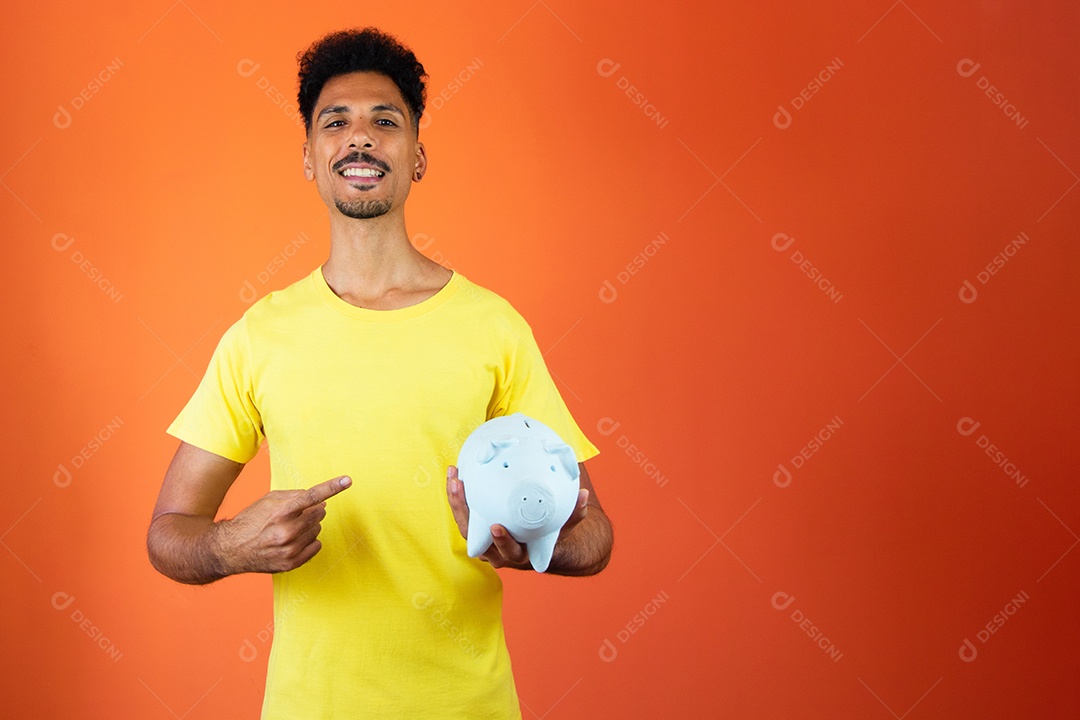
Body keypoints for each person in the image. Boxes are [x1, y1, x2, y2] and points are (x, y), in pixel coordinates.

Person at [146, 27, 613, 720]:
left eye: (384, 122)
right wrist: (227, 546)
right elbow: (167, 531)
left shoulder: (493, 327)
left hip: (469, 706)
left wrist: (534, 547)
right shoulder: (261, 335)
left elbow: (595, 534)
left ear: (417, 156)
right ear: (309, 157)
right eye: (336, 122)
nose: (360, 138)